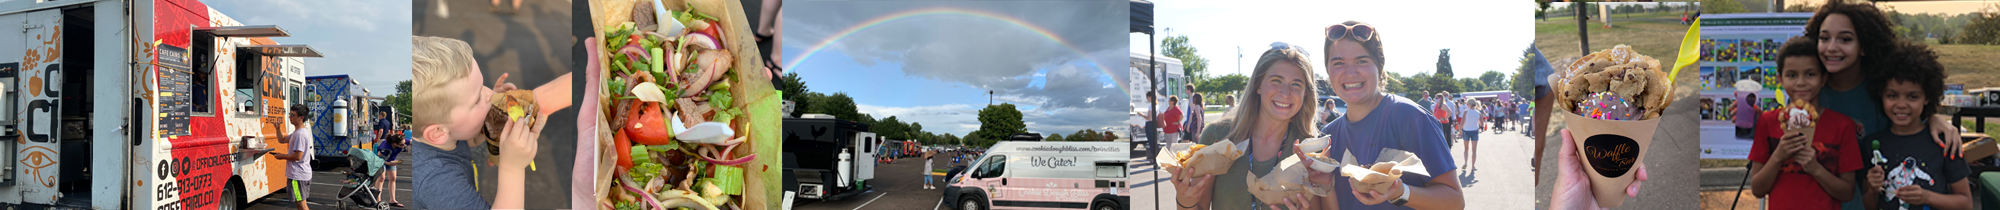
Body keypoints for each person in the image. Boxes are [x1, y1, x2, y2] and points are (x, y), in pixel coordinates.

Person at [1804, 3, 1963, 208]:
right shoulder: (1811, 92)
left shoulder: (1884, 90)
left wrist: (1933, 117)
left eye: (1845, 39)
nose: (1831, 47)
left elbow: (1911, 117)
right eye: (1824, 38)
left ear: (1865, 46)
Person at [1306, 21, 1462, 209]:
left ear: (1379, 66)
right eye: (1338, 63)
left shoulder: (1409, 117)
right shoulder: (1327, 137)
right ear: (1328, 72)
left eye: (1361, 61)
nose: (1350, 72)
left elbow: (1455, 201)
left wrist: (1400, 192)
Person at [410, 36, 568, 209]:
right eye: (478, 98)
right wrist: (512, 168)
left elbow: (469, 139)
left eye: (483, 85)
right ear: (438, 133)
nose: (489, 95)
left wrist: (490, 114)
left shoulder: (445, 133)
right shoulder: (436, 180)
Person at [1179, 41, 1328, 210]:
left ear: (1305, 93)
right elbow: (1198, 205)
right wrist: (1184, 201)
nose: (1285, 93)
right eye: (1276, 80)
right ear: (1258, 85)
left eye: (1296, 84)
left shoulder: (1310, 151)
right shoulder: (1217, 136)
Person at [1747, 37, 1861, 209]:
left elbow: (1847, 192)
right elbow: (1757, 189)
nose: (1801, 82)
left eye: (1810, 74)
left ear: (1823, 79)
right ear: (1781, 79)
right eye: (1792, 75)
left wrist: (1815, 168)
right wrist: (1778, 156)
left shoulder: (1842, 126)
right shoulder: (1768, 122)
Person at [1859, 43, 1971, 210]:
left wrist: (1927, 197)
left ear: (1927, 98)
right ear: (1880, 95)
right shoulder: (1871, 144)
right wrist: (1872, 189)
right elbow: (1869, 206)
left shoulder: (1944, 142)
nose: (1901, 104)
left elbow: (1966, 203)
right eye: (1892, 95)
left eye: (1912, 96)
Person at [272, 105, 313, 210]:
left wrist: (282, 156)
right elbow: (282, 140)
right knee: (299, 203)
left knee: (301, 204)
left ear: (301, 117)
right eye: (290, 115)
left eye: (292, 115)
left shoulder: (300, 134)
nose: (290, 117)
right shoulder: (297, 132)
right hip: (298, 175)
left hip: (298, 176)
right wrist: (278, 129)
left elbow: (298, 156)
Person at [376, 128, 408, 207]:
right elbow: (378, 156)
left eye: (404, 144)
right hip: (381, 160)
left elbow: (412, 142)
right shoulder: (386, 146)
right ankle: (377, 200)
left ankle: (392, 200)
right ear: (394, 143)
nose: (403, 146)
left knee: (393, 178)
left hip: (391, 160)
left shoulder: (401, 141)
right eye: (401, 145)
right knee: (381, 178)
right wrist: (387, 163)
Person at [1460, 101, 1482, 170]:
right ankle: (1473, 166)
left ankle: (1466, 162)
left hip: (1466, 131)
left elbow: (1462, 122)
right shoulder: (1478, 113)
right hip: (1475, 131)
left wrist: (1460, 131)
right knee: (1474, 150)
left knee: (1466, 149)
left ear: (1469, 104)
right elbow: (1481, 124)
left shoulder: (1466, 111)